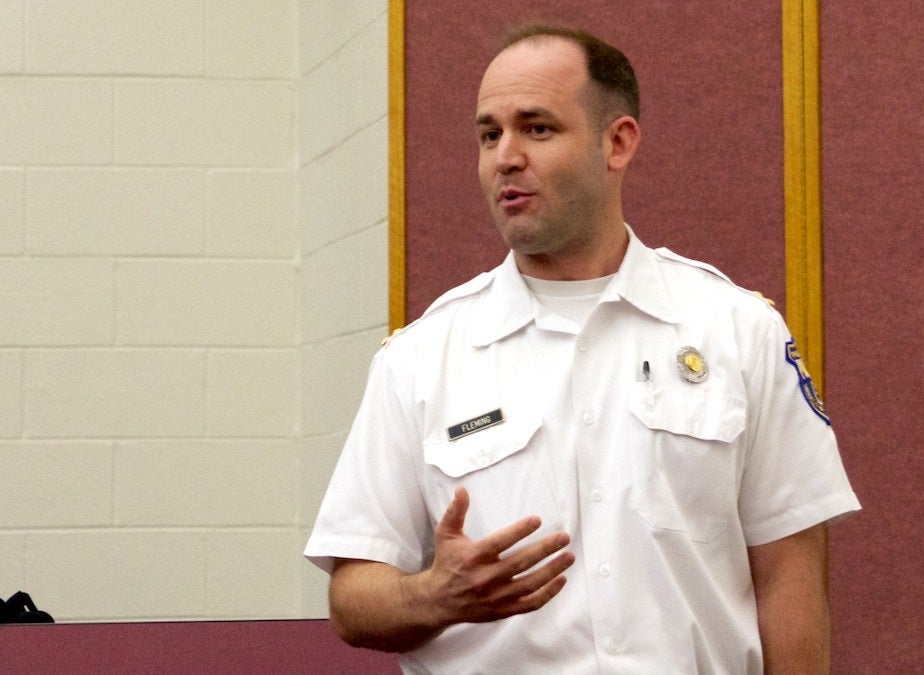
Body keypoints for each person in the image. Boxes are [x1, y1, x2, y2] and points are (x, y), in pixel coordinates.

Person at [305, 24, 860, 674]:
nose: (506, 157)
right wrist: (434, 593)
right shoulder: (422, 357)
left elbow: (788, 577)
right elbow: (352, 599)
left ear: (617, 142)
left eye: (536, 128)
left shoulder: (737, 330)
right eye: (490, 135)